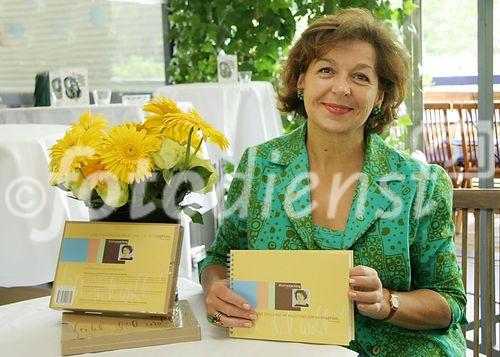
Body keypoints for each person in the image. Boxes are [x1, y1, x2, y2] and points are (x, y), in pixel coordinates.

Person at [199, 8, 466, 356]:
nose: (341, 88)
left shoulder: (420, 184)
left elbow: (449, 301)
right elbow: (220, 257)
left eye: (361, 77)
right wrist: (216, 285)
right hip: (284, 348)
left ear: (380, 97)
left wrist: (387, 302)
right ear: (301, 80)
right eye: (326, 70)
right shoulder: (260, 167)